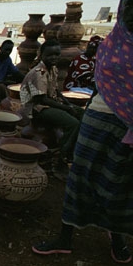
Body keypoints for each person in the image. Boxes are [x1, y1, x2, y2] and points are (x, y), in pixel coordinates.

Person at [32, 0, 133, 264]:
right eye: (131, 4)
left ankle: (117, 237)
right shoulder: (116, 40)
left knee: (120, 182)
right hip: (99, 116)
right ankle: (64, 237)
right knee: (81, 177)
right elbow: (102, 81)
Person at [19, 39, 84, 178]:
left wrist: (68, 104)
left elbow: (55, 91)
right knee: (73, 124)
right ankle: (61, 159)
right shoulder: (38, 72)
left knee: (82, 114)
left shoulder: (53, 68)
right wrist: (66, 109)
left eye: (56, 54)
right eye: (50, 55)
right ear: (41, 55)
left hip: (48, 103)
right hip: (36, 108)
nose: (54, 57)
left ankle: (73, 150)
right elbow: (41, 99)